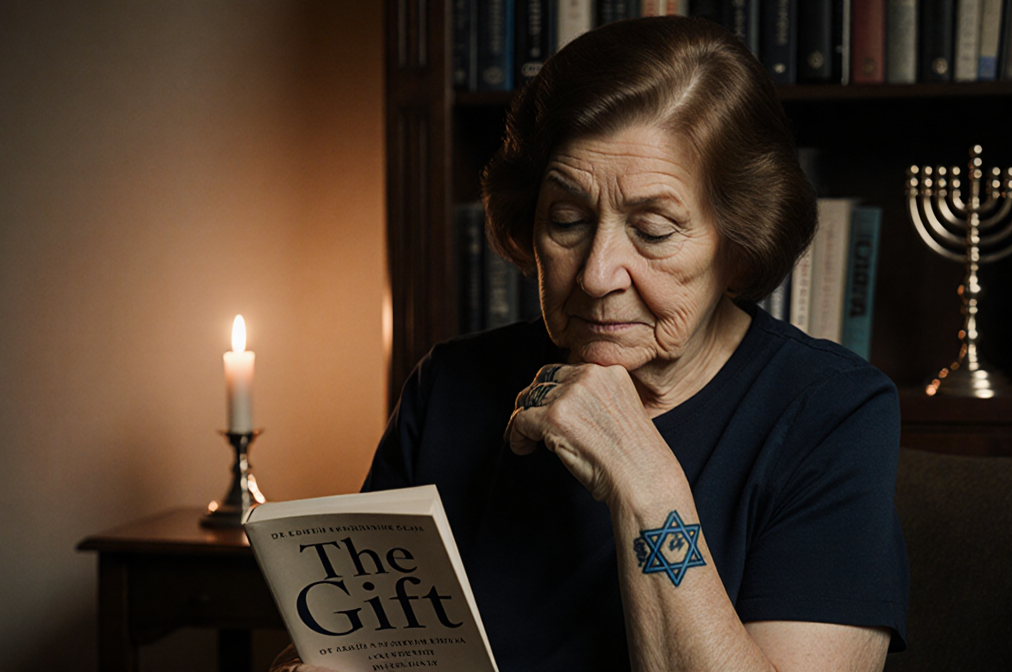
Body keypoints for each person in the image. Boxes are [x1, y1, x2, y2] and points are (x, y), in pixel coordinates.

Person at [276, 15, 906, 672]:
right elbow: (353, 645)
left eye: (654, 231)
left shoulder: (831, 412)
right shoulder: (451, 386)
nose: (598, 274)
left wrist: (644, 481)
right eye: (568, 221)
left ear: (740, 248)